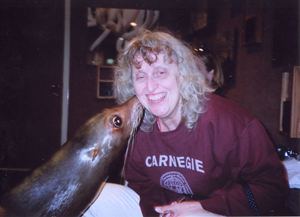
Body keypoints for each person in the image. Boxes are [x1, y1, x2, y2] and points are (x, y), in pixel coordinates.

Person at [83, 31, 289, 217]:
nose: (150, 86)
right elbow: (140, 182)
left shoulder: (228, 123)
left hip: (218, 210)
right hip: (167, 209)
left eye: (160, 72)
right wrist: (161, 211)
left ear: (183, 76)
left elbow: (273, 187)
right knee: (95, 196)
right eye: (140, 76)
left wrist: (203, 206)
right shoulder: (139, 125)